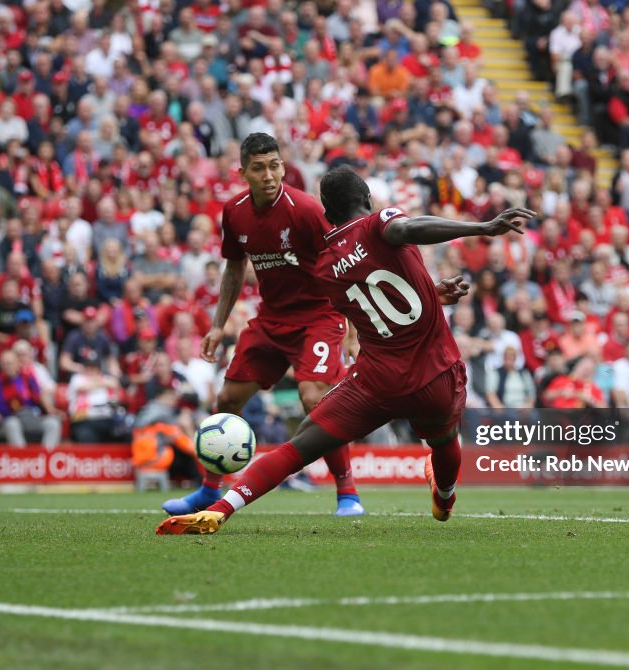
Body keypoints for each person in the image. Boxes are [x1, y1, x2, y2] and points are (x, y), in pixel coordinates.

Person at [156, 166, 534, 535]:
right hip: (435, 374)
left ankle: (220, 510)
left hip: (378, 382)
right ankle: (445, 497)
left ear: (329, 214)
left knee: (299, 445)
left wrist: (431, 293)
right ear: (368, 200)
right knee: (443, 440)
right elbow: (407, 230)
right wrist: (482, 227)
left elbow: (370, 299)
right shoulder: (379, 223)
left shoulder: (325, 268)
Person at [161, 133, 364, 518]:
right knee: (228, 400)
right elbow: (235, 267)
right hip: (272, 318)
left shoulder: (306, 210)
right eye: (259, 168)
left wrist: (353, 332)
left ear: (283, 168)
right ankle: (208, 490)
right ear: (242, 173)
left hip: (319, 316)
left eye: (275, 166)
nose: (269, 175)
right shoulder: (234, 212)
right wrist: (218, 325)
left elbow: (345, 264)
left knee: (315, 398)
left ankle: (348, 493)